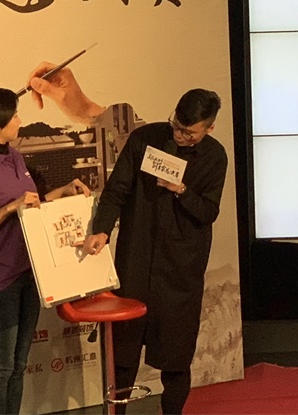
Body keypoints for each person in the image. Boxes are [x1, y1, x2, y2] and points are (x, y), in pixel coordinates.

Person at [82, 89, 228, 415]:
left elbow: (208, 212)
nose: (179, 135)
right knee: (123, 353)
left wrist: (182, 191)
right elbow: (116, 191)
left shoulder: (215, 156)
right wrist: (102, 229)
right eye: (176, 126)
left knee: (175, 357)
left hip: (181, 268)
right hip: (136, 258)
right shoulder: (145, 139)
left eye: (188, 133)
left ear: (209, 128)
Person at [0, 87, 91, 415]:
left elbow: (32, 204)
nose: (20, 120)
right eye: (14, 115)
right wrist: (10, 207)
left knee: (19, 365)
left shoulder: (15, 157)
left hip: (29, 273)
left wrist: (63, 191)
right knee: (1, 368)